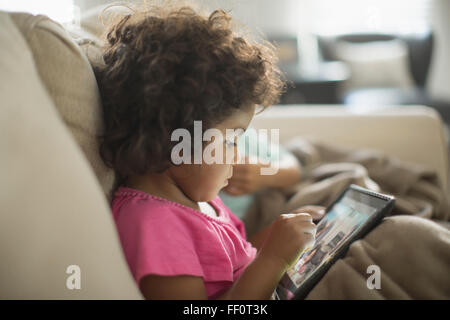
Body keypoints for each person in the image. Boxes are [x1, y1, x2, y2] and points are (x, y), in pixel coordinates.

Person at [95, 3, 325, 300]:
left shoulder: (198, 200)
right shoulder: (154, 226)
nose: (236, 153)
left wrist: (276, 240)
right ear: (174, 138)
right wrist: (274, 260)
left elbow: (235, 264)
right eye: (230, 140)